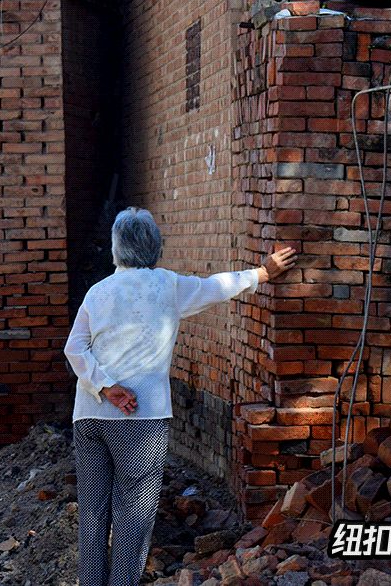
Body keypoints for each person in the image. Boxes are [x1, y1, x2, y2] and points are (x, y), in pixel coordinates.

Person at [64, 207, 296, 586]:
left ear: (116, 248)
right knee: (133, 517)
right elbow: (216, 287)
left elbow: (75, 349)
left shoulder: (97, 292)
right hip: (142, 419)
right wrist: (261, 272)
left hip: (89, 414)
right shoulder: (167, 286)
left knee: (93, 514)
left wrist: (105, 386)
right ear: (155, 247)